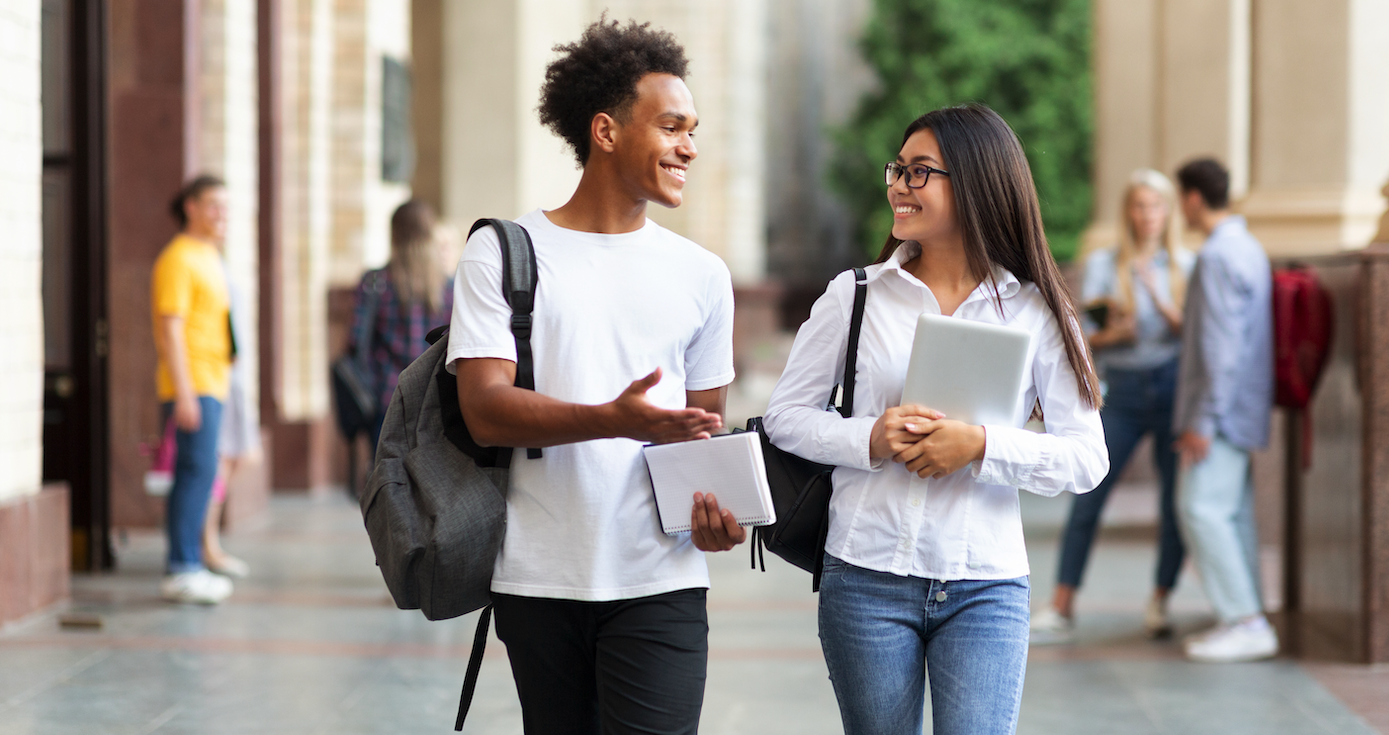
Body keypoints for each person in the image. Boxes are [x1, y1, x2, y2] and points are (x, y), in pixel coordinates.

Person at [764, 104, 1109, 735]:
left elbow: (1087, 457)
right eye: (897, 168)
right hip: (864, 576)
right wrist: (870, 437)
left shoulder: (1038, 309)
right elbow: (785, 418)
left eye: (920, 171)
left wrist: (980, 446)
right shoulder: (857, 294)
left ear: (976, 182)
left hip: (986, 583)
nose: (898, 183)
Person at [446, 17, 745, 734]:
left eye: (693, 128)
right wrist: (613, 418)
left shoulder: (702, 275)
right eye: (672, 126)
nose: (689, 147)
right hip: (537, 578)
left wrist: (717, 514)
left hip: (662, 581)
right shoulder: (502, 252)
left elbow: (696, 437)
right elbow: (485, 408)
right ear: (606, 131)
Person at [1030, 169, 1195, 643]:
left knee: (1172, 503)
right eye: (1139, 205)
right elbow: (1083, 335)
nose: (1148, 215)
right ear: (1128, 211)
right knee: (1088, 495)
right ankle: (1062, 605)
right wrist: (1114, 334)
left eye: (1156, 206)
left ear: (1168, 213)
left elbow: (1197, 335)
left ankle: (1160, 601)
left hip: (1170, 389)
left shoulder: (1188, 264)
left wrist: (1162, 302)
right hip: (1121, 389)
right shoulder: (1104, 264)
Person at [1170, 157, 1276, 662]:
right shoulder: (1249, 247)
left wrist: (1202, 422)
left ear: (1192, 198)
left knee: (1201, 509)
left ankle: (1246, 621)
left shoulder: (1215, 256)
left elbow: (1220, 350)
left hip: (1222, 414)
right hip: (1244, 407)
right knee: (1229, 514)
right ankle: (1245, 615)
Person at [151, 175, 235, 605]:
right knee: (193, 474)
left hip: (212, 382)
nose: (222, 214)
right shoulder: (178, 258)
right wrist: (183, 392)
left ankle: (189, 564)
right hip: (192, 385)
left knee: (201, 475)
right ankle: (182, 567)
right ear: (191, 207)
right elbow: (171, 328)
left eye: (226, 205)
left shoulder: (208, 256)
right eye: (213, 205)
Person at [347, 198, 454, 455]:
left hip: (386, 400)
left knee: (387, 483)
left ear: (393, 234)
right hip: (435, 404)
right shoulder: (449, 287)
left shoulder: (375, 282)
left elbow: (356, 342)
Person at [203, 269, 259, 580]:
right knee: (220, 461)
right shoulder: (203, 267)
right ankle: (207, 542)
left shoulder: (217, 265)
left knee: (240, 458)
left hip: (234, 379)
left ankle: (208, 538)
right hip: (220, 379)